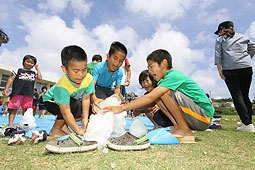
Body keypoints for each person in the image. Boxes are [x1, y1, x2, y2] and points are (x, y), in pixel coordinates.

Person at [104, 49, 215, 143]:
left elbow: (150, 97)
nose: (150, 71)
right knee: (158, 95)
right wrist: (127, 104)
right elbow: (150, 101)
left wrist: (122, 108)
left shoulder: (173, 75)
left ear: (164, 63)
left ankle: (184, 130)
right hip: (196, 117)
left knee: (162, 93)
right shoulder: (164, 81)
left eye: (151, 67)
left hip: (203, 116)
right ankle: (178, 128)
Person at [42, 45, 100, 137]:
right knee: (73, 106)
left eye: (84, 70)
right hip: (50, 100)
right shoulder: (62, 86)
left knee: (87, 109)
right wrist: (78, 130)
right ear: (64, 69)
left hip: (69, 101)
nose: (81, 75)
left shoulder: (88, 78)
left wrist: (85, 119)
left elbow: (86, 99)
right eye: (76, 71)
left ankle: (63, 126)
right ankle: (55, 130)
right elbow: (66, 111)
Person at [214, 21, 255, 132]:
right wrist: (247, 58)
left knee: (237, 95)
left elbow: (218, 55)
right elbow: (253, 48)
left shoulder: (220, 40)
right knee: (245, 95)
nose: (219, 34)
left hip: (230, 70)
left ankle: (247, 124)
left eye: (219, 32)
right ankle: (245, 121)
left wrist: (219, 70)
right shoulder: (243, 37)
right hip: (246, 67)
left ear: (222, 29)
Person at [2, 55, 42, 127]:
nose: (29, 64)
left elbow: (40, 78)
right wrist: (6, 88)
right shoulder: (18, 70)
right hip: (17, 92)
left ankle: (25, 124)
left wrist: (37, 69)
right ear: (23, 62)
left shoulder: (33, 73)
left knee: (26, 110)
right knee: (13, 108)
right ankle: (10, 124)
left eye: (32, 63)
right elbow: (11, 79)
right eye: (28, 62)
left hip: (29, 94)